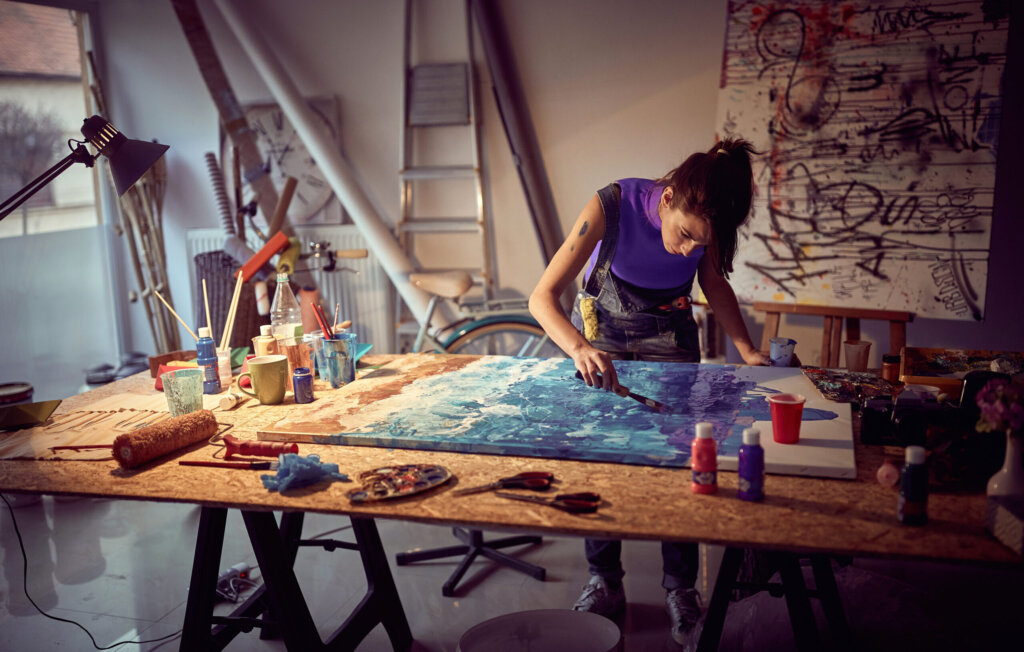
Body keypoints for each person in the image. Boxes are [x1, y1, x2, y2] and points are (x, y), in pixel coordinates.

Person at [528, 138, 768, 648]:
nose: (687, 250)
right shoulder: (609, 205)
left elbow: (714, 286)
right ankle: (605, 581)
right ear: (669, 196)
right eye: (683, 235)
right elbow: (541, 297)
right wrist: (577, 349)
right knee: (604, 455)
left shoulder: (708, 223)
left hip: (670, 334)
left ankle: (681, 588)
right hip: (600, 334)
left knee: (680, 457)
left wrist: (747, 349)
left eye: (699, 244)